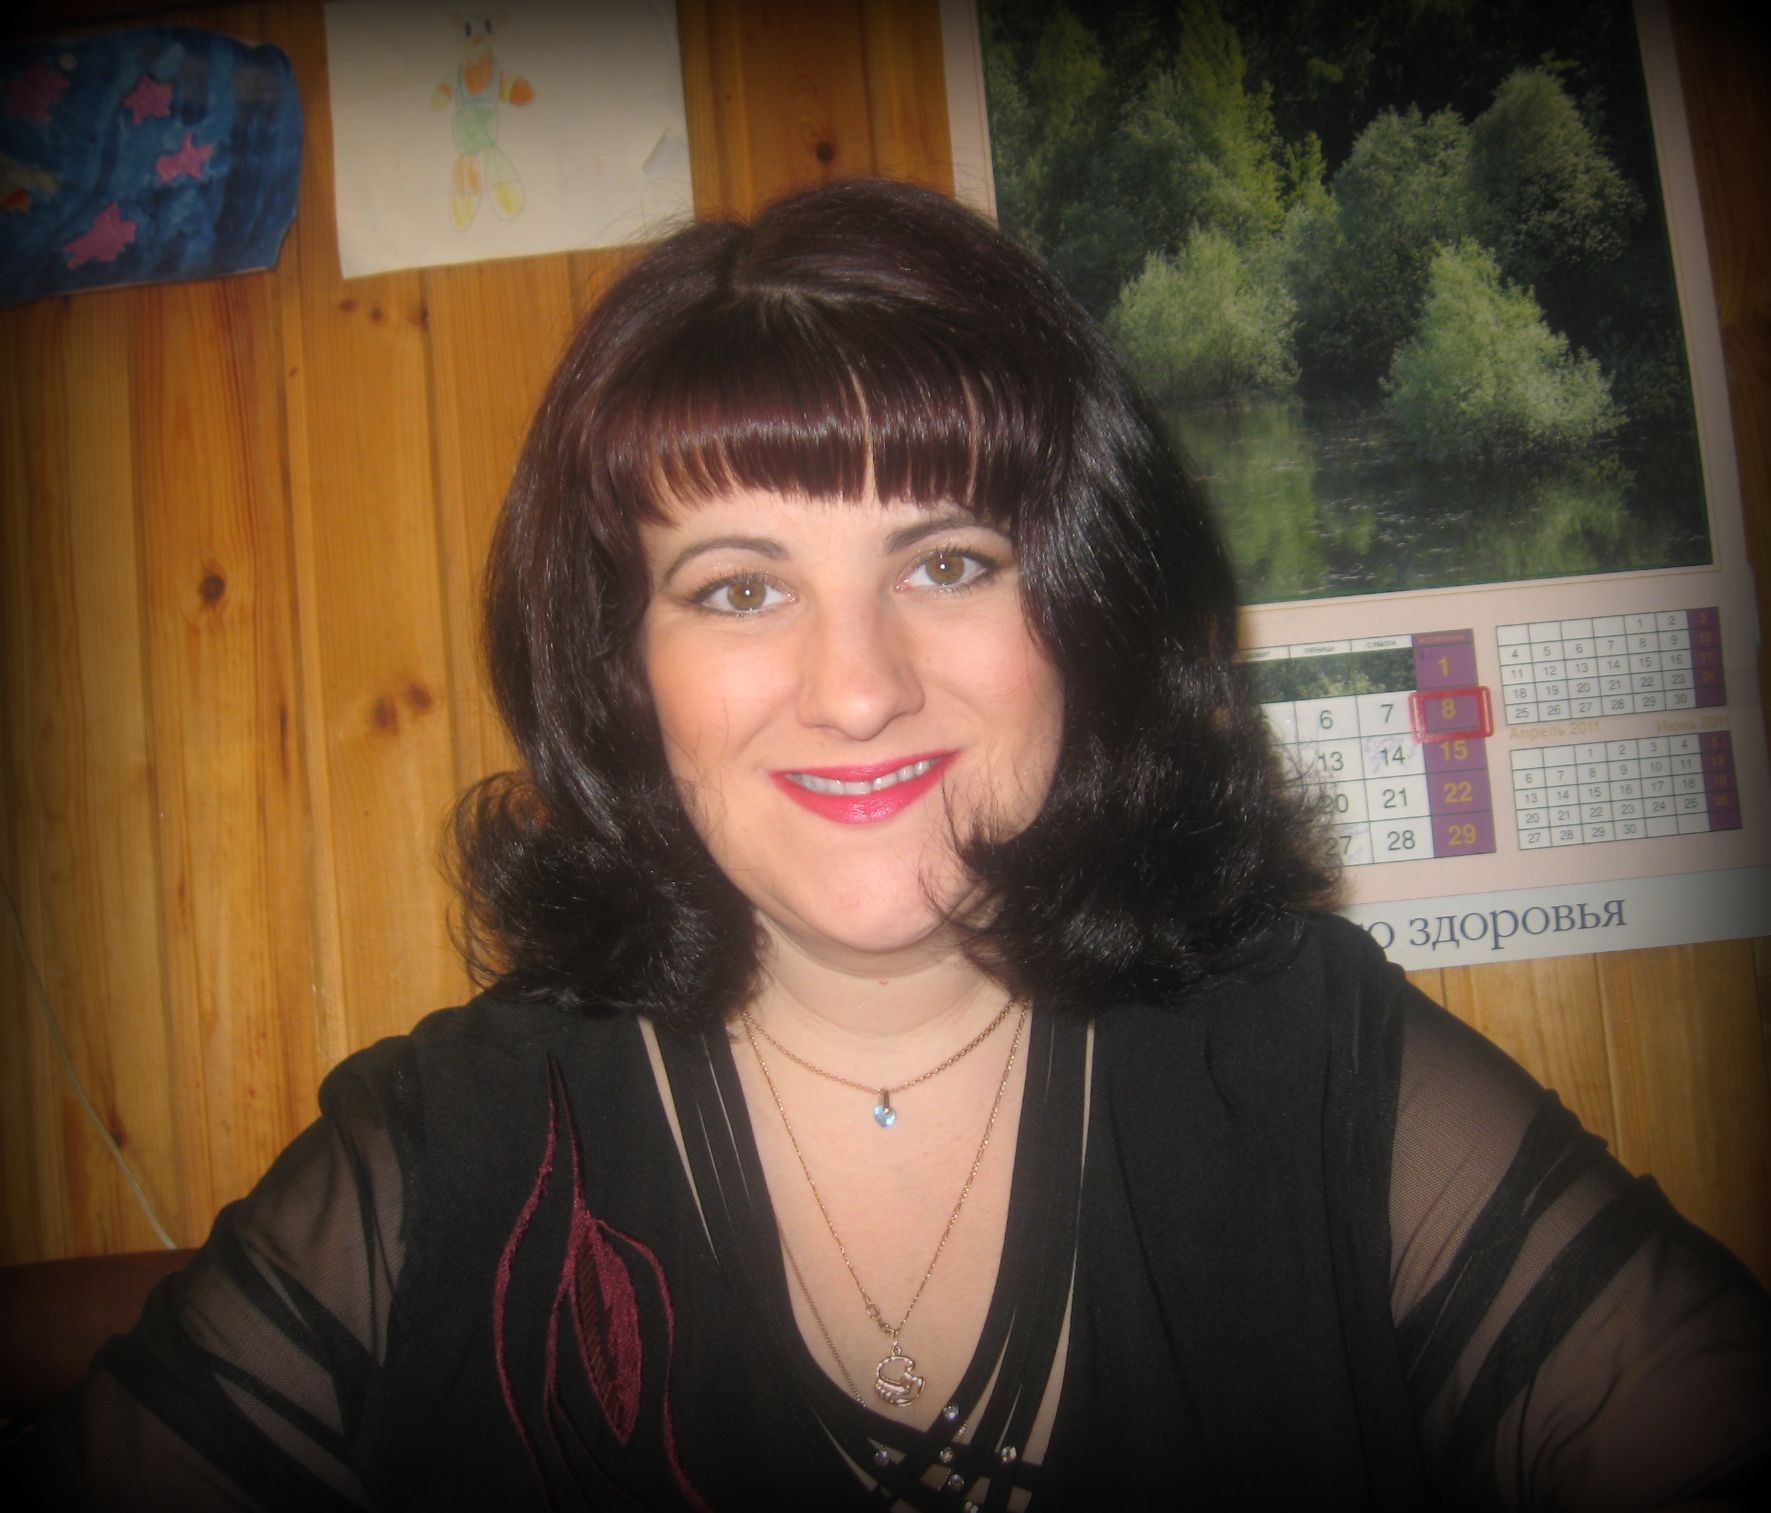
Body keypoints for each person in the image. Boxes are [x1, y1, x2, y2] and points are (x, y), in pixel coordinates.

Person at [12, 179, 1770, 1510]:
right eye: (739, 587)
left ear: (1081, 613)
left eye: (948, 561)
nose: (857, 689)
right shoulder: (439, 1156)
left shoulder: (1310, 1056)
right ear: (623, 673)